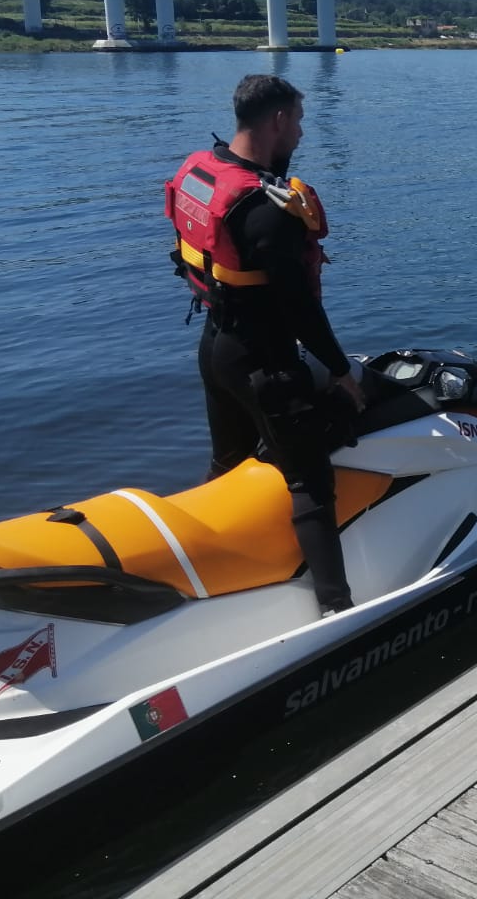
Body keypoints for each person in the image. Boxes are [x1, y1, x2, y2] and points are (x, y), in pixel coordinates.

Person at [166, 74, 367, 616]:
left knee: (228, 462)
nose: (301, 133)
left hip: (214, 346)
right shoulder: (265, 210)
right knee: (310, 482)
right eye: (298, 121)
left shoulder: (206, 173)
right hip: (263, 359)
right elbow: (300, 307)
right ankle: (337, 609)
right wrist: (340, 369)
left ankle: (208, 571)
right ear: (276, 120)